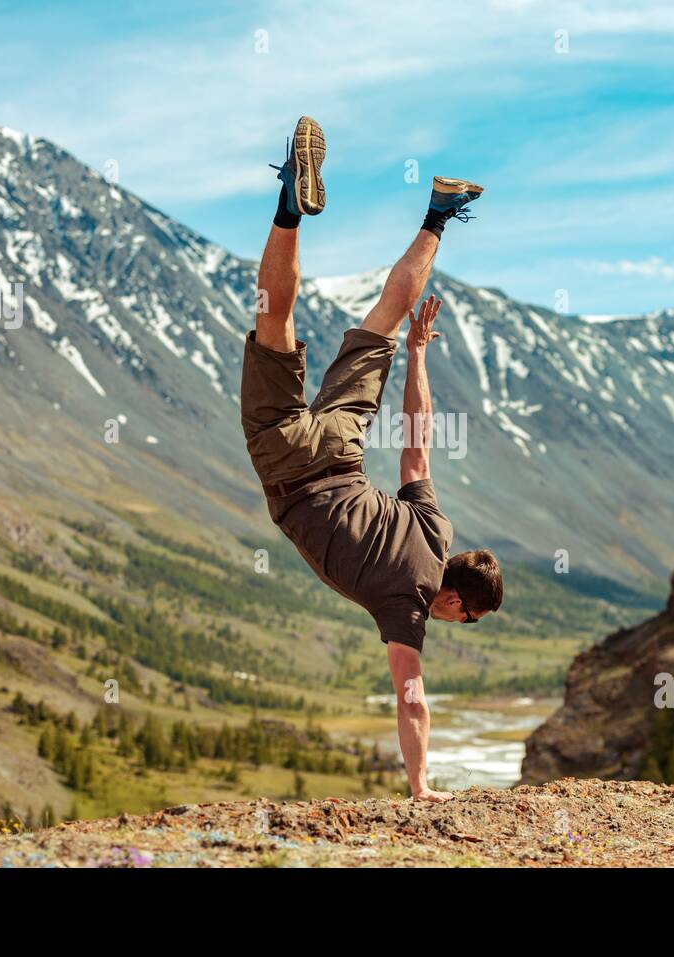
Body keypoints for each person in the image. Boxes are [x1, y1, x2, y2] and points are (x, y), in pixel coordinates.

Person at [240, 116, 504, 802]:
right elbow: (411, 697)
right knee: (275, 323)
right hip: (287, 468)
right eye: (462, 619)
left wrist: (418, 356)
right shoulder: (407, 609)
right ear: (453, 599)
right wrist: (421, 787)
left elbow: (417, 439)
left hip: (340, 444)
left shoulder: (433, 530)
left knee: (387, 316)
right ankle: (288, 210)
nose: (451, 623)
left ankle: (438, 214)